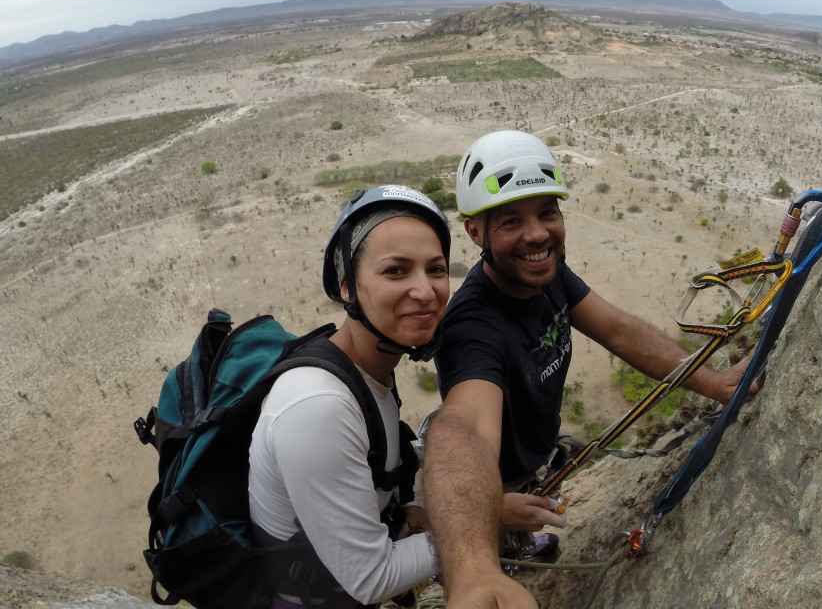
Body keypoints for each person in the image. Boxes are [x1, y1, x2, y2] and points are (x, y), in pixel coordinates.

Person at [423, 130, 757, 609]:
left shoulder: (544, 270)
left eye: (548, 213)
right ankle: (500, 561)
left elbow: (618, 330)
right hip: (491, 479)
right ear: (475, 232)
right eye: (512, 220)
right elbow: (466, 428)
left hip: (530, 458)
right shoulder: (473, 328)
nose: (537, 234)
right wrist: (487, 519)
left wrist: (713, 383)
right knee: (495, 551)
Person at [249, 185, 449, 609]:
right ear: (347, 288)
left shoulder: (369, 369)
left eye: (435, 269)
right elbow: (372, 579)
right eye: (396, 271)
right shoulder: (319, 405)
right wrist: (483, 520)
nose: (426, 291)